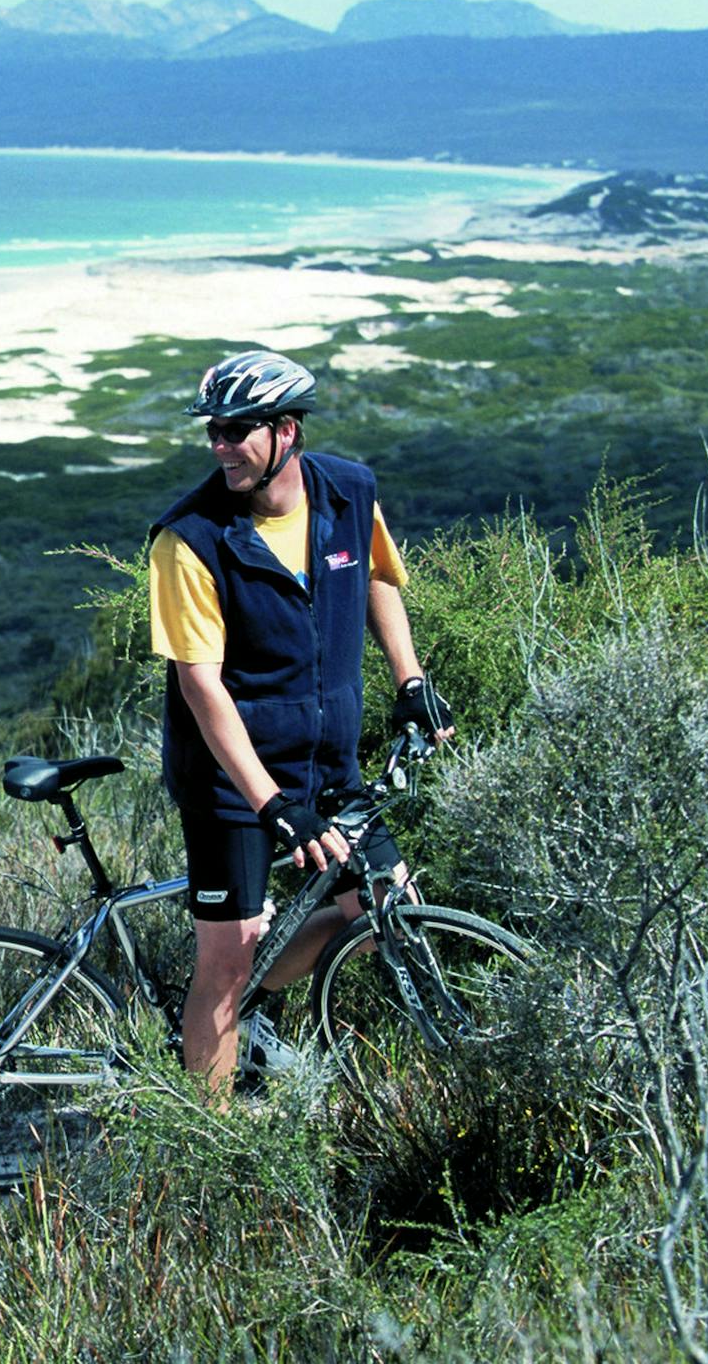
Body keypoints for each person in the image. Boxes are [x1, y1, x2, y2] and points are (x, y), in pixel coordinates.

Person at [146, 353, 453, 1101]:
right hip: (230, 780)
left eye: (235, 431)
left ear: (286, 431)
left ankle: (250, 1013)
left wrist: (410, 681)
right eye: (213, 431)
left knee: (389, 914)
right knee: (230, 952)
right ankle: (211, 1142)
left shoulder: (347, 492)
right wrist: (270, 804)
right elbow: (200, 684)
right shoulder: (189, 539)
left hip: (328, 765)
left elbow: (379, 577)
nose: (219, 445)